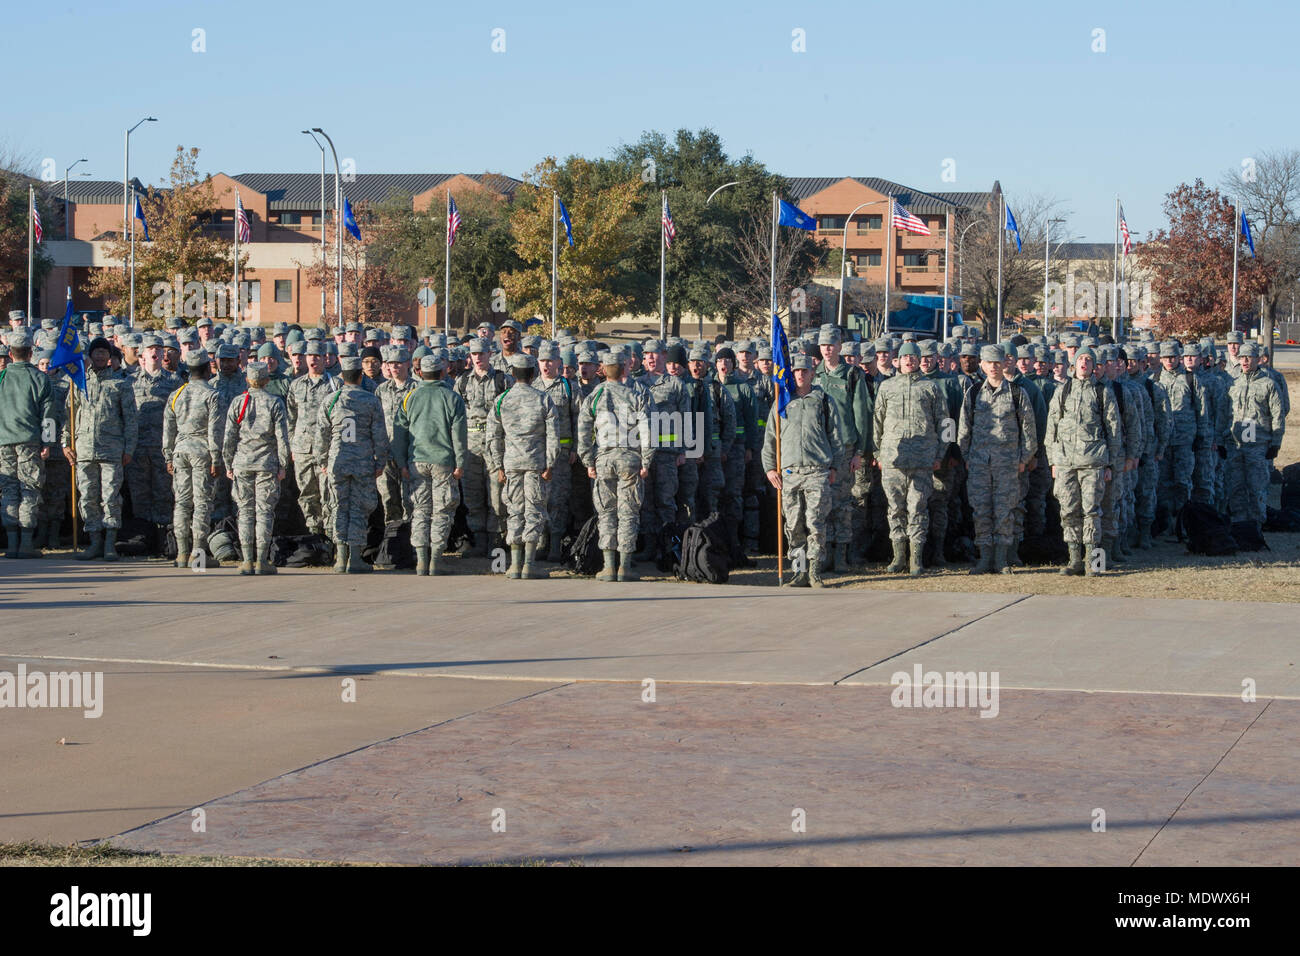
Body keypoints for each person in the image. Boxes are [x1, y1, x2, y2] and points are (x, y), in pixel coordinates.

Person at [762, 353, 844, 587]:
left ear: (812, 373)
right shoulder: (782, 401)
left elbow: (836, 437)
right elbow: (770, 439)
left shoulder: (824, 401)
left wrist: (835, 466)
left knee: (816, 522)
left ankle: (815, 572)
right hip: (789, 474)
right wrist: (769, 469)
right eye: (796, 371)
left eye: (804, 371)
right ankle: (799, 572)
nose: (800, 374)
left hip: (817, 471)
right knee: (793, 525)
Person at [871, 342, 949, 576]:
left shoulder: (931, 387)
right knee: (895, 508)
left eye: (914, 358)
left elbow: (946, 423)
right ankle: (898, 557)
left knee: (918, 507)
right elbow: (877, 421)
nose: (910, 361)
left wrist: (940, 453)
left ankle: (916, 559)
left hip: (923, 459)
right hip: (893, 457)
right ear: (898, 361)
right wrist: (877, 452)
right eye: (905, 358)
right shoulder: (886, 387)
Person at [1045, 348, 1122, 576]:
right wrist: (1053, 461)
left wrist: (1110, 465)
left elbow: (1113, 430)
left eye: (1089, 360)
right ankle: (1074, 559)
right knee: (1068, 511)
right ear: (1074, 363)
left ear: (1094, 366)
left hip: (1094, 462)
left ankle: (1094, 562)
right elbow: (1052, 426)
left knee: (1092, 512)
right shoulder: (1063, 391)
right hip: (1066, 462)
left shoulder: (1102, 392)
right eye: (1081, 359)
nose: (1084, 363)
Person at [577, 347, 651, 582]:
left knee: (607, 512)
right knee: (628, 512)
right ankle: (625, 567)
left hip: (604, 459)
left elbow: (583, 431)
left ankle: (608, 567)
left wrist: (588, 461)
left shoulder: (595, 395)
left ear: (604, 370)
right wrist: (647, 461)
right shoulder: (637, 395)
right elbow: (649, 431)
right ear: (624, 369)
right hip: (630, 459)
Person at [63, 337, 138, 561]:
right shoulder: (78, 383)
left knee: (111, 497)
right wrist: (66, 443)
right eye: (96, 351)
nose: (99, 355)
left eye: (104, 352)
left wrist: (129, 449)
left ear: (110, 357)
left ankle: (109, 543)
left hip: (112, 451)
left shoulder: (120, 385)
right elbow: (68, 416)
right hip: (83, 451)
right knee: (87, 497)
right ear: (89, 355)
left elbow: (131, 420)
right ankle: (94, 541)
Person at [393, 354, 468, 576]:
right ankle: (436, 559)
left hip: (416, 461)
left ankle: (421, 560)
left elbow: (400, 433)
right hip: (443, 461)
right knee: (442, 510)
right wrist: (461, 462)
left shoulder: (410, 397)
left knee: (420, 510)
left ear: (419, 373)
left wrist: (401, 462)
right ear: (443, 372)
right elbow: (459, 435)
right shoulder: (452, 398)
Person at [315, 356, 389, 574]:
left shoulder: (331, 400)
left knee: (338, 506)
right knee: (358, 508)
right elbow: (380, 435)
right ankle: (355, 557)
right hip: (363, 462)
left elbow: (321, 435)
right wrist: (381, 460)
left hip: (338, 461)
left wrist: (323, 460)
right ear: (360, 376)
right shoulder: (371, 400)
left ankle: (341, 557)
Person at [488, 353, 560, 579]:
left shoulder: (501, 400)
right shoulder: (543, 399)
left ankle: (514, 565)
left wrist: (498, 465)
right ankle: (529, 564)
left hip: (510, 465)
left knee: (514, 511)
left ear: (512, 374)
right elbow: (554, 436)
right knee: (534, 511)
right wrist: (551, 463)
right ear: (533, 374)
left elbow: (493, 437)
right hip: (536, 464)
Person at [223, 362, 290, 575]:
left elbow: (228, 438)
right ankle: (262, 560)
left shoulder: (238, 402)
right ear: (267, 380)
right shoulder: (275, 403)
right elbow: (282, 438)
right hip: (267, 464)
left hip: (242, 463)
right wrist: (283, 464)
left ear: (247, 380)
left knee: (245, 512)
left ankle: (247, 560)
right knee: (264, 511)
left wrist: (228, 463)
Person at [814, 326, 871, 571]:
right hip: (819, 448)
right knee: (820, 502)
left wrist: (859, 451)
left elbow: (861, 413)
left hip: (845, 448)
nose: (827, 349)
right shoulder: (813, 374)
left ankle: (841, 555)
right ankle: (824, 552)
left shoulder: (852, 375)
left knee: (843, 502)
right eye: (823, 345)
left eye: (831, 345)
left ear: (839, 347)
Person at [162, 351, 223, 567]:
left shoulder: (177, 394)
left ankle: (181, 553)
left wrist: (168, 455)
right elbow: (215, 430)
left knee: (182, 502)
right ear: (207, 369)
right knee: (202, 503)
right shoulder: (212, 395)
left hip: (180, 450)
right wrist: (217, 458)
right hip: (202, 451)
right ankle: (197, 557)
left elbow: (168, 429)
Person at [0, 330, 54, 558]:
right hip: (30, 441)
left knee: (9, 490)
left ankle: (11, 544)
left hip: (3, 442)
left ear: (11, 354)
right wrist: (48, 442)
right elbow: (49, 415)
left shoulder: (1, 377)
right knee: (29, 489)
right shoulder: (40, 378)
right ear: (31, 352)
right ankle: (26, 544)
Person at [455, 339, 512, 555]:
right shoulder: (462, 382)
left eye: (482, 354)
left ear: (490, 354)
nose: (478, 358)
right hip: (471, 445)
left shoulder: (502, 380)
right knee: (473, 494)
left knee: (496, 496)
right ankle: (478, 539)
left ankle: (496, 540)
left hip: (495, 443)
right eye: (474, 354)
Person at [1222, 343, 1285, 533]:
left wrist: (1275, 443)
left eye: (1249, 357)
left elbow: (1278, 415)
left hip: (1257, 444)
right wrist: (1220, 439)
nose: (1245, 361)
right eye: (1242, 357)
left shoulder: (1268, 384)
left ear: (1258, 359)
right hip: (1235, 444)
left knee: (1257, 487)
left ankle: (1257, 524)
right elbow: (1223, 413)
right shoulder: (1232, 384)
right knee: (1236, 486)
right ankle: (1240, 524)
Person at [286, 341, 340, 536]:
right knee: (307, 493)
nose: (313, 359)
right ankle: (314, 532)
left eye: (317, 356)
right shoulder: (296, 385)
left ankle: (329, 534)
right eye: (310, 356)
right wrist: (292, 445)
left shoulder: (335, 384)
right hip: (302, 450)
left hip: (326, 450)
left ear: (325, 358)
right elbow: (291, 418)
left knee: (328, 492)